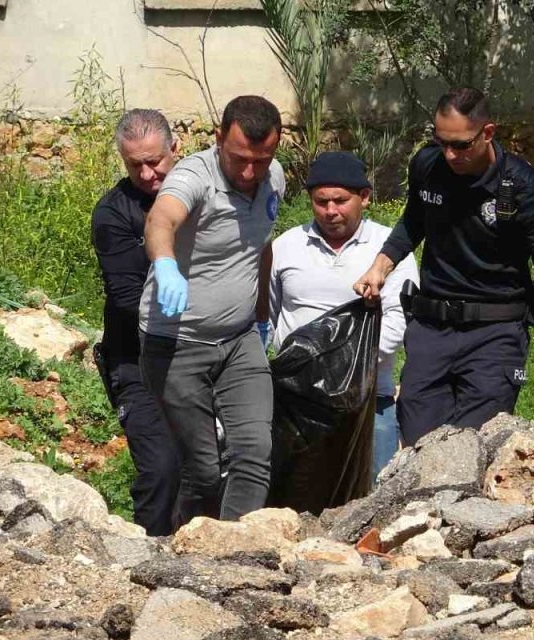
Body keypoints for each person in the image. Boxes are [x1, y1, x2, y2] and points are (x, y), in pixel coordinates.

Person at [353, 87, 534, 445]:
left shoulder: (523, 188)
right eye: (440, 141)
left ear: (487, 133)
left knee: (474, 447)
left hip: (495, 334)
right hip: (431, 330)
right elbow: (414, 222)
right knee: (418, 445)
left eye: (460, 145)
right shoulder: (428, 166)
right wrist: (380, 266)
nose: (449, 154)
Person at [138, 95, 285, 523]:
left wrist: (260, 317)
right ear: (218, 138)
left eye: (262, 159)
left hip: (239, 340)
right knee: (203, 469)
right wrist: (165, 265)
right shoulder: (194, 175)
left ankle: (238, 551)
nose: (249, 172)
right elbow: (160, 220)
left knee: (254, 453)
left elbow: (260, 247)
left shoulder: (272, 177)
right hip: (177, 343)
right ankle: (186, 548)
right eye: (239, 158)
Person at [269, 152, 417, 480]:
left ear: (364, 197)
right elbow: (267, 316)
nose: (331, 211)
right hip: (298, 407)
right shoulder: (286, 246)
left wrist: (341, 370)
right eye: (321, 202)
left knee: (372, 501)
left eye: (340, 200)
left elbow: (399, 320)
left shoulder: (389, 249)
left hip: (368, 404)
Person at [90, 109, 182, 536]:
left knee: (213, 464)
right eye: (134, 165)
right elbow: (128, 297)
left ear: (174, 148)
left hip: (202, 353)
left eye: (155, 161)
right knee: (161, 466)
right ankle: (151, 553)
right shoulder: (114, 213)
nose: (147, 174)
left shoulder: (202, 193)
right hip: (136, 361)